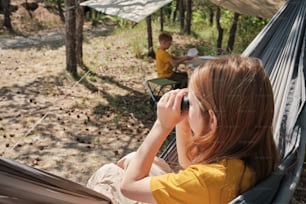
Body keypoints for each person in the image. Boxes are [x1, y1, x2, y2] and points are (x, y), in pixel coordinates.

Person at [87, 55, 279, 204]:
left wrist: (162, 125)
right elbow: (188, 163)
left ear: (212, 120)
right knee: (135, 159)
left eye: (191, 104)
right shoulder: (248, 160)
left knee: (107, 172)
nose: (187, 107)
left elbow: (129, 187)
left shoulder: (206, 181)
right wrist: (183, 120)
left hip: (138, 188)